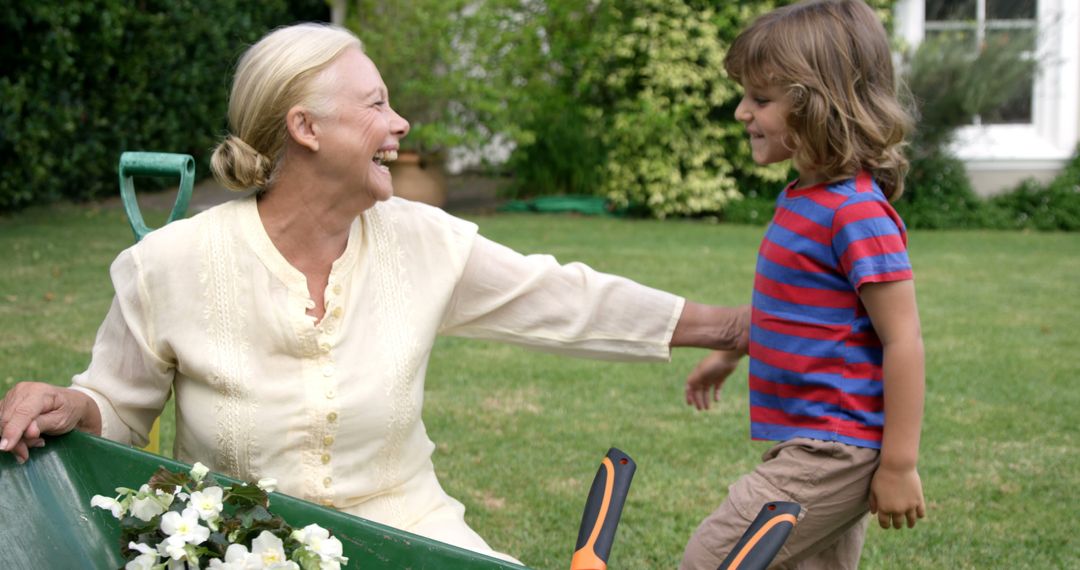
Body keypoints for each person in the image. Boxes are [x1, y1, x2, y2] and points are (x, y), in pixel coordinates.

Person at [0, 23, 750, 564]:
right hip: (241, 546)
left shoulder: (421, 241)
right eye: (376, 104)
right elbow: (117, 410)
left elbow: (568, 299)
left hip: (410, 534)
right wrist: (72, 404)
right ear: (306, 128)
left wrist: (734, 328)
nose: (400, 124)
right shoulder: (168, 263)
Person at [679, 1, 926, 568]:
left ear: (822, 106)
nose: (742, 111)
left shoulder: (856, 213)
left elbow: (903, 339)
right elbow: (800, 309)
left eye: (761, 100)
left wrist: (898, 464)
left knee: (714, 559)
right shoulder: (801, 199)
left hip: (834, 448)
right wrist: (730, 352)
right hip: (809, 440)